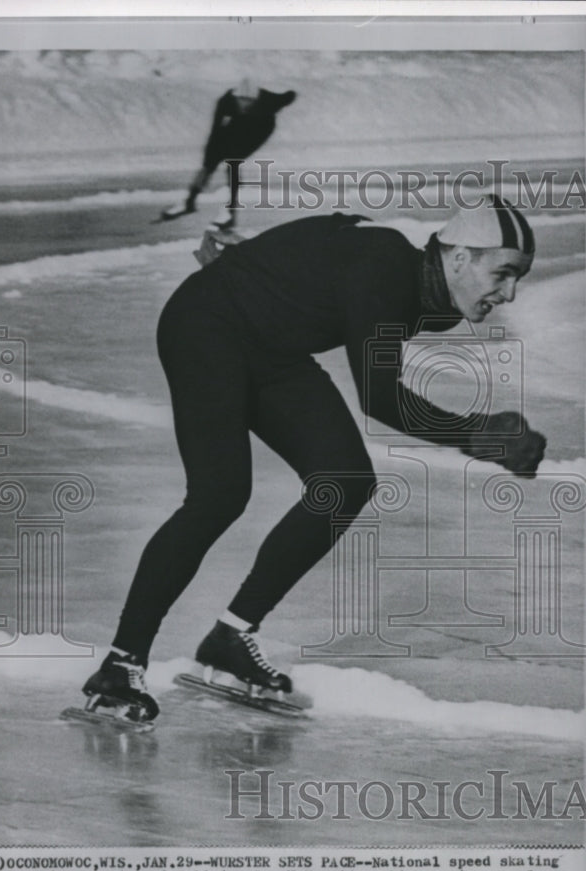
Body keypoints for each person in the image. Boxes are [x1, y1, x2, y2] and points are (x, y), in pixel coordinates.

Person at [83, 195, 546, 723]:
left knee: (345, 481)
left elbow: (329, 236)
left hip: (271, 346)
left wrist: (254, 257)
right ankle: (120, 665)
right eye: (503, 273)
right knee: (219, 495)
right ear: (459, 257)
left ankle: (231, 636)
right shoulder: (387, 269)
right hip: (206, 326)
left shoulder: (429, 291)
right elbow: (380, 398)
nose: (509, 293)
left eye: (518, 278)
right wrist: (480, 438)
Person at [166, 77, 296, 228]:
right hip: (236, 124)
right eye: (241, 100)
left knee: (233, 162)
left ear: (256, 99)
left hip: (260, 128)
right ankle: (189, 201)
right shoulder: (225, 102)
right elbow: (215, 130)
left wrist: (290, 93)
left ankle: (230, 212)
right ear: (235, 97)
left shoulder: (268, 102)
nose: (244, 104)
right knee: (210, 163)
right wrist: (209, 159)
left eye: (249, 101)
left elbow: (288, 97)